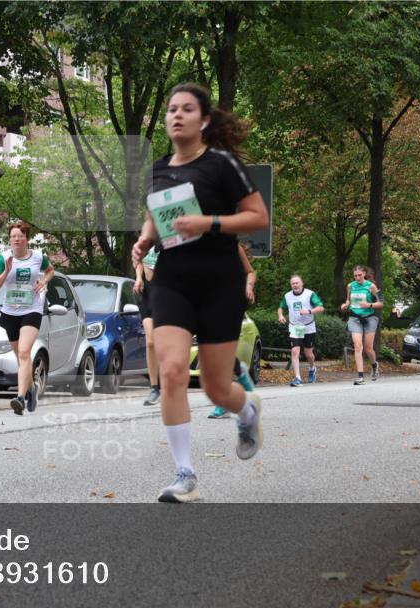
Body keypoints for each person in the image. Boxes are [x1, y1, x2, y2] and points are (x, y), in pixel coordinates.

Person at [131, 82, 269, 503]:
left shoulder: (222, 164)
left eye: (186, 109)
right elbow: (156, 216)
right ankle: (184, 473)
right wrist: (144, 240)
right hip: (173, 279)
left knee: (215, 388)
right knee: (172, 370)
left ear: (204, 120)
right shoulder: (157, 169)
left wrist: (208, 223)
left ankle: (246, 411)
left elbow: (257, 217)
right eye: (172, 109)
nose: (176, 115)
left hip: (219, 281)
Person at [0, 222, 54, 415]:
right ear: (10, 240)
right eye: (13, 236)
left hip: (32, 310)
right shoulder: (3, 258)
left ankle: (19, 397)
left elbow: (51, 270)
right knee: (20, 358)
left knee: (25, 353)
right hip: (10, 313)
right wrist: (6, 272)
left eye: (20, 236)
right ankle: (31, 388)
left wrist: (44, 281)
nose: (17, 239)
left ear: (26, 238)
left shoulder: (38, 257)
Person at [209, 243, 258, 418]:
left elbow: (251, 272)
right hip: (209, 304)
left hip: (233, 300)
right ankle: (241, 373)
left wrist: (249, 287)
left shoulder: (232, 246)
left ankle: (223, 402)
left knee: (224, 349)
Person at [277, 274, 324, 386]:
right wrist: (280, 315)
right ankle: (298, 378)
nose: (295, 285)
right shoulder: (287, 296)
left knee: (308, 353)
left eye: (297, 283)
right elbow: (281, 307)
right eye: (293, 283)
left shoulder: (310, 294)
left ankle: (312, 368)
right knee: (295, 351)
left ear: (302, 283)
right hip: (296, 326)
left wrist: (309, 311)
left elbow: (321, 307)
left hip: (308, 326)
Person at [340, 265, 383, 385]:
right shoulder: (350, 286)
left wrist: (369, 305)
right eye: (355, 276)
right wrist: (345, 305)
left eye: (359, 275)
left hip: (369, 318)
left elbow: (381, 303)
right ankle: (360, 377)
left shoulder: (371, 286)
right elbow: (348, 300)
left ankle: (374, 365)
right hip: (355, 318)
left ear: (364, 274)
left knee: (368, 348)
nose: (357, 277)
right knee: (358, 346)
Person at [134, 247, 161, 406]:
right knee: (150, 342)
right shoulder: (145, 242)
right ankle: (154, 388)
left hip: (165, 297)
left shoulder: (171, 240)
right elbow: (138, 262)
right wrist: (139, 278)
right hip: (148, 297)